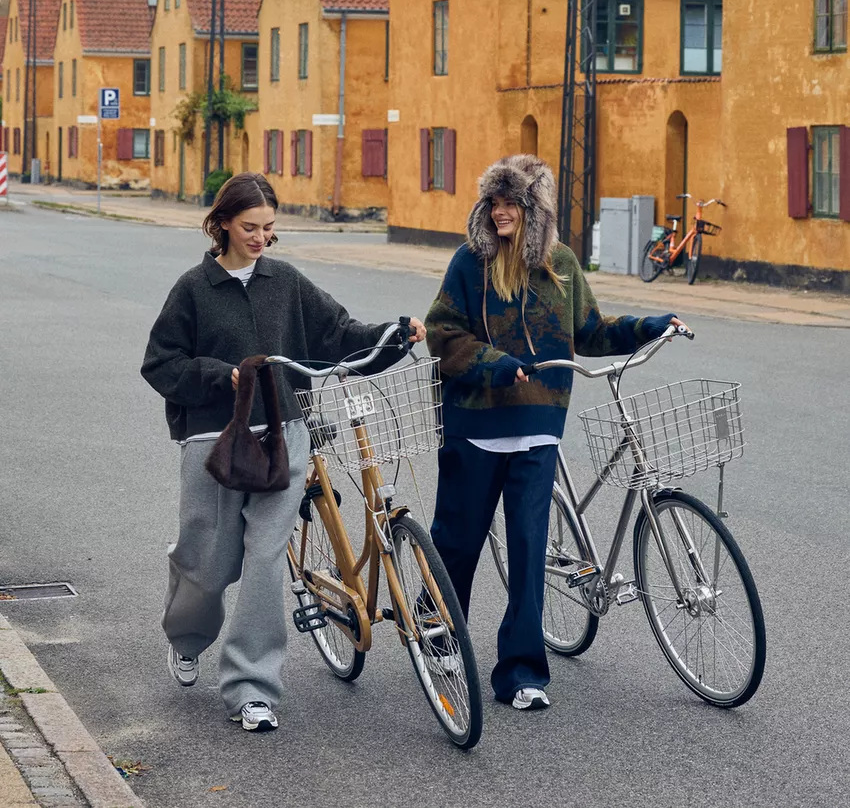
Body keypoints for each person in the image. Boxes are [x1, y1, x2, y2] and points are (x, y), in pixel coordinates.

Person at [141, 171, 425, 732]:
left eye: (270, 228)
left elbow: (339, 334)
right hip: (213, 441)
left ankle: (252, 689)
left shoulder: (286, 282)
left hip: (285, 435)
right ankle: (188, 637)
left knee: (268, 560)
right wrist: (220, 376)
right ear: (221, 223)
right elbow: (161, 364)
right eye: (250, 227)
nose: (261, 237)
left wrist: (394, 336)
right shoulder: (194, 289)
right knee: (209, 563)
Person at [425, 155, 684, 712]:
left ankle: (520, 673)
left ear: (533, 209)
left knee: (527, 552)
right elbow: (443, 334)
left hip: (539, 430)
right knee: (457, 543)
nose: (499, 212)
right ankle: (440, 635)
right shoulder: (470, 264)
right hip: (475, 428)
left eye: (510, 202)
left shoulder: (560, 265)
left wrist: (652, 324)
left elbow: (591, 331)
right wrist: (491, 361)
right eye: (493, 202)